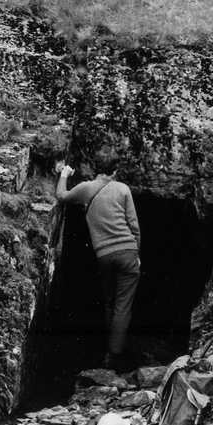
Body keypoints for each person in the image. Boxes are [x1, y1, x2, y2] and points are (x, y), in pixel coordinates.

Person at [56, 150, 141, 369]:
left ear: (95, 168)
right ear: (115, 171)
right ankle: (114, 354)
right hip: (128, 252)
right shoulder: (123, 189)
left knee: (109, 301)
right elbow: (134, 226)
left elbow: (61, 196)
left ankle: (105, 346)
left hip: (104, 255)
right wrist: (137, 254)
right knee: (123, 305)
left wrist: (64, 174)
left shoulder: (86, 188)